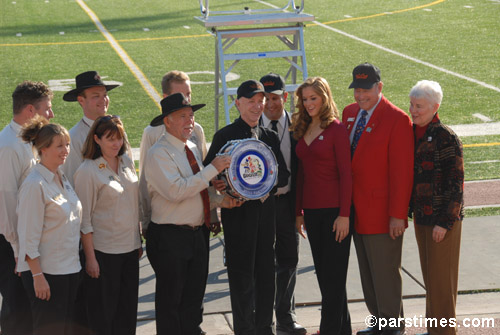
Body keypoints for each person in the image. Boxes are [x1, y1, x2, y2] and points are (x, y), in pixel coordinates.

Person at [144, 93, 241, 335]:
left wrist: (222, 201)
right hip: (170, 236)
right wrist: (212, 169)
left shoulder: (193, 147)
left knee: (193, 299)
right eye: (183, 116)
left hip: (197, 234)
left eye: (191, 115)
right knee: (171, 302)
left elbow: (198, 191)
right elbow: (176, 190)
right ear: (167, 121)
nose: (190, 121)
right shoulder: (158, 153)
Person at [204, 80, 290, 335]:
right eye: (251, 101)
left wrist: (264, 183)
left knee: (266, 275)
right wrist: (220, 183)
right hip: (237, 216)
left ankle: (265, 327)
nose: (257, 106)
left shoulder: (270, 137)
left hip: (265, 216)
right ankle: (244, 329)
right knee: (241, 276)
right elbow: (209, 175)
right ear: (237, 102)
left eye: (260, 101)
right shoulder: (224, 135)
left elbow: (283, 176)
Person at [342, 63, 414, 335]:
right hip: (355, 210)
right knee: (368, 273)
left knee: (385, 272)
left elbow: (402, 172)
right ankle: (381, 320)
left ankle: (392, 325)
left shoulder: (396, 119)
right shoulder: (350, 113)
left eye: (366, 90)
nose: (360, 96)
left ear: (380, 87)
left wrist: (398, 214)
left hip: (382, 212)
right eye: (357, 90)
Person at [291, 77, 353, 335]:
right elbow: (301, 175)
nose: (308, 104)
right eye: (305, 99)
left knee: (334, 280)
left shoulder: (336, 129)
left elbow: (347, 175)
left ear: (324, 97)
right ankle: (343, 329)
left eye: (313, 98)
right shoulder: (302, 127)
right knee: (327, 278)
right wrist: (298, 212)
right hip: (312, 213)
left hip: (335, 213)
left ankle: (328, 330)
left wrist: (344, 215)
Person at [73, 115, 142, 335]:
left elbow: (134, 204)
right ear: (96, 139)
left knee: (127, 313)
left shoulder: (127, 162)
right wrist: (91, 258)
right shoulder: (87, 171)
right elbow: (84, 220)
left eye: (119, 138)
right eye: (110, 138)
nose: (116, 143)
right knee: (103, 316)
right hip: (103, 254)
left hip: (130, 250)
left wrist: (137, 240)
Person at [408, 80, 464, 335]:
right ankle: (434, 331)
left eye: (419, 106)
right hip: (422, 217)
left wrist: (445, 222)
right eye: (412, 104)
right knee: (431, 278)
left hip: (442, 220)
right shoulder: (411, 132)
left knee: (442, 282)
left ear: (435, 107)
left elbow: (456, 186)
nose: (413, 110)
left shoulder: (446, 137)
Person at [17, 116, 81, 335]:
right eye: (59, 146)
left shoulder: (61, 177)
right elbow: (27, 236)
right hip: (47, 274)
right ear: (43, 149)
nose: (65, 150)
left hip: (69, 269)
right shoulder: (35, 184)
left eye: (67, 144)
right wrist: (37, 276)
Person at [0, 80, 54, 335]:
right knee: (18, 309)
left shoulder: (27, 141)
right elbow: (7, 201)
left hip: (27, 241)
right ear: (31, 110)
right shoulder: (9, 146)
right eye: (47, 108)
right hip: (12, 243)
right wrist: (17, 249)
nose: (51, 114)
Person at [258, 73, 306, 335]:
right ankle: (264, 318)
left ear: (285, 97)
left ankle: (286, 316)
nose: (269, 103)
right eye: (264, 98)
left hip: (289, 202)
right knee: (264, 261)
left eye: (275, 97)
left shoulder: (299, 125)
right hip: (263, 204)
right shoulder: (252, 127)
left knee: (289, 258)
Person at [139, 70, 208, 228]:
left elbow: (202, 173)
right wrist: (145, 220)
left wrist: (211, 214)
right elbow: (144, 180)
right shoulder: (152, 133)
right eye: (180, 94)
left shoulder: (196, 130)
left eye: (188, 94)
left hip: (198, 220)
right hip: (170, 222)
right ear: (165, 97)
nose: (186, 99)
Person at [62, 70, 120, 186]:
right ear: (81, 100)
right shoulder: (74, 138)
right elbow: (72, 180)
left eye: (105, 95)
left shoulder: (117, 128)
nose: (103, 100)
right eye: (96, 96)